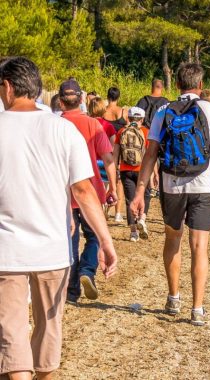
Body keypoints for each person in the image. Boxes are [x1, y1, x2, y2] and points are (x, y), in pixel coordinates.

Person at [0, 56, 117, 380]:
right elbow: (83, 191)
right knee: (49, 328)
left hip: (6, 252)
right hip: (53, 250)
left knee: (12, 331)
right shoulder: (64, 131)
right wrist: (106, 242)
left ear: (8, 87)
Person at [130, 63, 210, 326]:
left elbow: (150, 154)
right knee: (199, 246)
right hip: (205, 186)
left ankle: (173, 297)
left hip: (172, 185)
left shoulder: (163, 112)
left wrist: (140, 191)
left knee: (173, 239)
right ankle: (197, 309)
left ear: (176, 85)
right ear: (200, 86)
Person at [60, 79, 118, 303]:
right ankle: (87, 270)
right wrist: (112, 187)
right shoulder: (94, 125)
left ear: (60, 101)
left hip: (65, 193)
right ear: (82, 100)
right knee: (94, 237)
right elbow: (108, 158)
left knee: (70, 241)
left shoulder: (57, 124)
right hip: (91, 190)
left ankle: (71, 290)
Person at [113, 107, 156, 242]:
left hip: (126, 170)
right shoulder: (146, 132)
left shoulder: (121, 132)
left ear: (128, 118)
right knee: (146, 195)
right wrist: (155, 174)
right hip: (143, 171)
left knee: (130, 200)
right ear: (142, 119)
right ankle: (142, 218)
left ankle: (133, 233)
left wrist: (115, 171)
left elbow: (115, 155)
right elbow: (151, 156)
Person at [103, 87, 127, 223]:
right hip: (119, 151)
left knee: (104, 181)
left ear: (107, 96)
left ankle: (105, 208)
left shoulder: (102, 111)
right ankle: (118, 213)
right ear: (118, 97)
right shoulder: (123, 112)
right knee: (119, 182)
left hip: (103, 149)